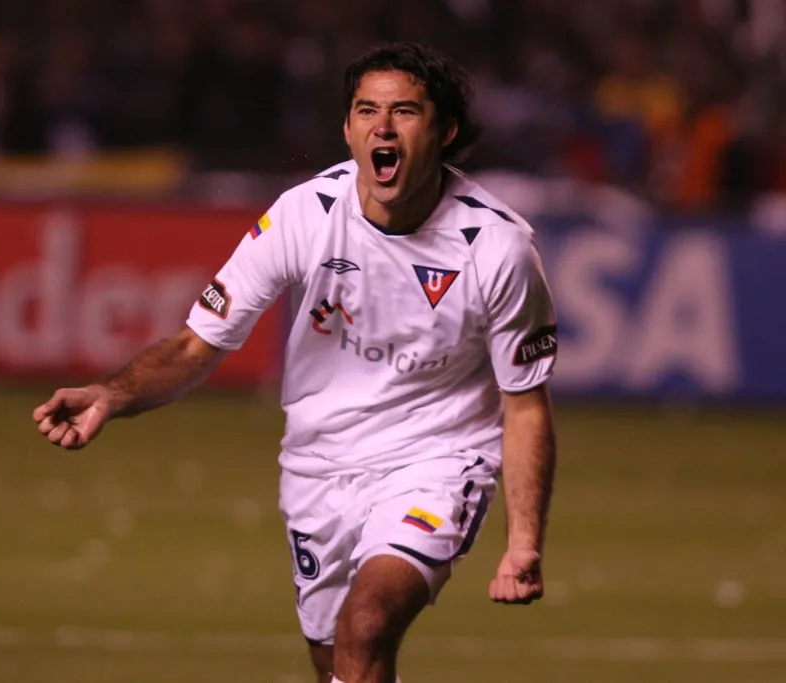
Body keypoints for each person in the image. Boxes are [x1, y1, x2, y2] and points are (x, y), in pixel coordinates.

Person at [33, 41, 558, 683]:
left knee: (367, 624)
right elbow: (197, 345)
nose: (382, 128)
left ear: (445, 131)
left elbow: (525, 402)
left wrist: (523, 543)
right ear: (347, 128)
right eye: (366, 111)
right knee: (342, 662)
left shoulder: (497, 247)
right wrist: (111, 395)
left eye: (404, 112)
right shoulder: (304, 214)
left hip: (437, 460)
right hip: (318, 467)